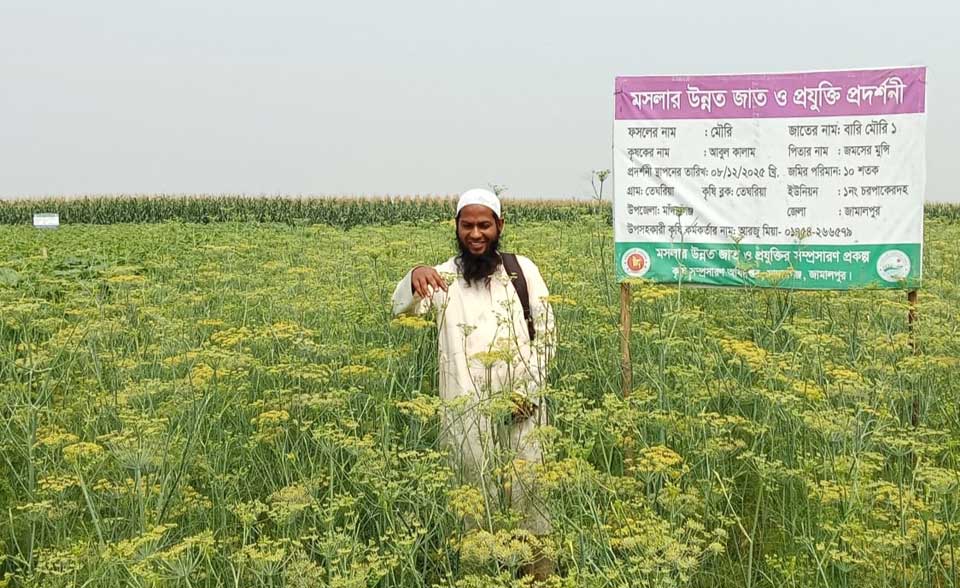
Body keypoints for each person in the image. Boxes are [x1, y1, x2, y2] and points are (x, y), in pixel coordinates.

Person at [391, 188, 556, 579]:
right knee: (473, 496)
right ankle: (480, 574)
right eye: (467, 225)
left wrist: (529, 393)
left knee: (530, 491)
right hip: (465, 409)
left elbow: (547, 336)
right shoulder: (442, 276)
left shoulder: (522, 271)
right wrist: (413, 275)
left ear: (500, 226)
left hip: (522, 407)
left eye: (484, 225)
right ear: (456, 227)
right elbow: (402, 308)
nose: (476, 234)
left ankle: (538, 574)